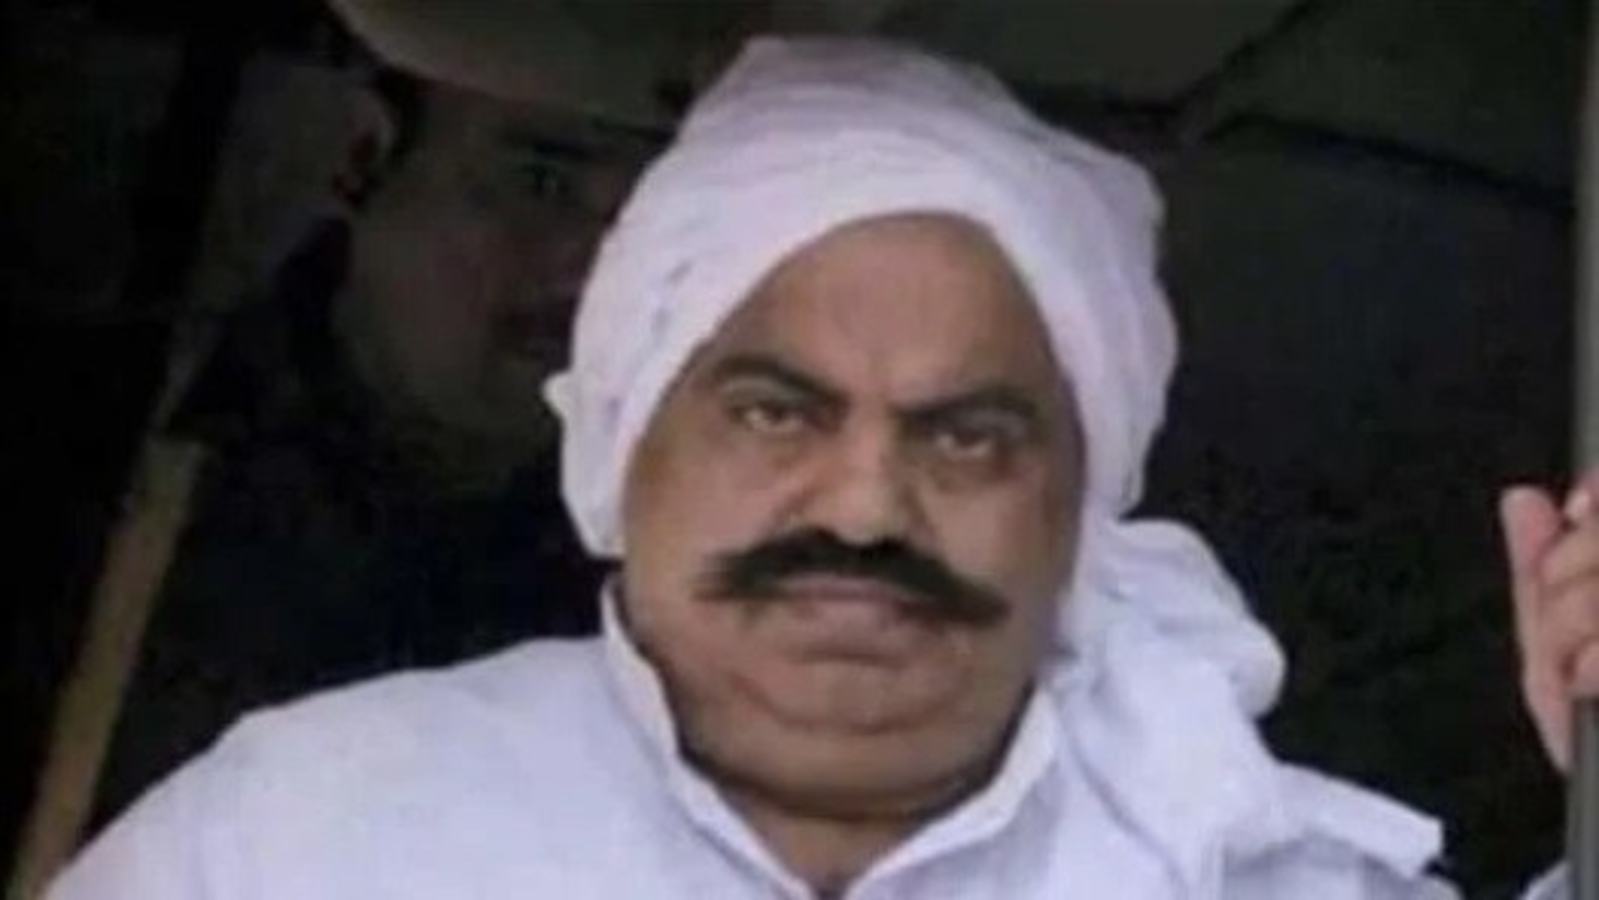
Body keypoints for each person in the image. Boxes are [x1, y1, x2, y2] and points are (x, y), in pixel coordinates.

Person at [52, 37, 1599, 899]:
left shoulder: (1240, 866)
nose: (864, 508)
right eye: (774, 413)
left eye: (967, 436)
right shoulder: (304, 834)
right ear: (623, 447)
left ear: (1078, 511)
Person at [85, 4, 658, 827]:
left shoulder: (664, 576)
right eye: (543, 185)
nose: (592, 275)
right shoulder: (80, 451)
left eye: (648, 217)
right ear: (363, 156)